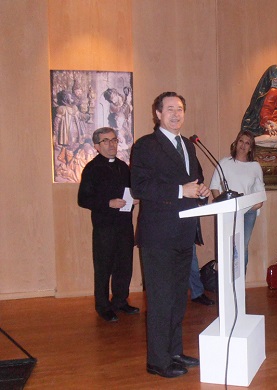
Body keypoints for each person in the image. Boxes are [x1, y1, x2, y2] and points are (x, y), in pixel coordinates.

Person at [131, 92, 211, 378]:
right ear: (157, 113)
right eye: (170, 109)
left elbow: (196, 179)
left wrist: (203, 191)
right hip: (158, 236)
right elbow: (140, 187)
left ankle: (174, 351)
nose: (176, 114)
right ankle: (157, 361)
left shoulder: (188, 145)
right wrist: (181, 191)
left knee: (178, 299)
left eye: (180, 109)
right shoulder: (145, 146)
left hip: (183, 233)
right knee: (161, 300)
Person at [77, 127, 139, 322]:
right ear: (96, 146)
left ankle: (120, 301)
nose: (112, 144)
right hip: (104, 226)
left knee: (124, 265)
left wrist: (134, 199)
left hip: (124, 224)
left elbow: (131, 191)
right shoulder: (92, 168)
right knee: (104, 267)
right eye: (106, 141)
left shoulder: (123, 167)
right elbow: (83, 199)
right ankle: (103, 306)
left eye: (114, 140)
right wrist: (108, 203)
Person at [210, 130, 264, 273]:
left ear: (251, 148)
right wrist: (221, 204)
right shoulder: (225, 163)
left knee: (242, 247)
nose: (243, 145)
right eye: (241, 141)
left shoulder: (255, 166)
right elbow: (214, 186)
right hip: (228, 213)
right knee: (228, 247)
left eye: (247, 143)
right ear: (236, 142)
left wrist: (257, 204)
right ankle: (227, 283)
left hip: (247, 213)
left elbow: (260, 192)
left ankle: (240, 283)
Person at [241, 65, 277, 136]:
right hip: (274, 120)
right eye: (276, 78)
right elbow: (266, 109)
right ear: (271, 80)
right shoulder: (274, 91)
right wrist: (268, 123)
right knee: (275, 138)